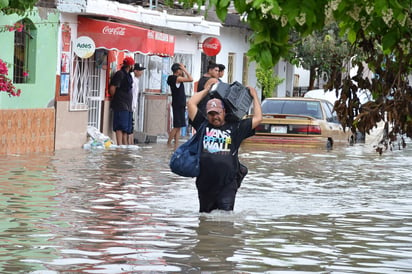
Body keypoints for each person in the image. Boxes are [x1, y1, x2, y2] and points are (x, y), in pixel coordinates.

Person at [187, 81, 263, 213]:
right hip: (205, 184)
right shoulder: (202, 125)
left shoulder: (236, 127)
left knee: (225, 218)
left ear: (224, 112)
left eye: (217, 113)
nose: (215, 117)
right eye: (211, 114)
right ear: (207, 114)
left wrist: (255, 96)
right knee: (205, 219)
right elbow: (191, 104)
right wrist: (206, 90)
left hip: (228, 184)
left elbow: (258, 118)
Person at [109, 56, 135, 146]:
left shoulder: (129, 76)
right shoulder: (120, 74)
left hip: (128, 105)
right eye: (132, 65)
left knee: (125, 128)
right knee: (119, 126)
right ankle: (119, 146)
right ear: (130, 65)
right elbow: (112, 88)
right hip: (120, 104)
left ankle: (124, 146)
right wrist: (116, 98)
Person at [167, 63, 193, 146]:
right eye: (181, 70)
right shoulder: (176, 78)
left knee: (179, 126)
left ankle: (176, 144)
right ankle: (168, 143)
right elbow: (191, 79)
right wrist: (185, 70)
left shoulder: (172, 78)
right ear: (178, 70)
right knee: (176, 126)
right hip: (178, 104)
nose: (182, 71)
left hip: (178, 104)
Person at [128, 63, 146, 145]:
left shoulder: (136, 79)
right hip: (129, 105)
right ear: (135, 71)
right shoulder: (131, 78)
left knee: (131, 125)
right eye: (140, 71)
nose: (141, 73)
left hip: (132, 106)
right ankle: (128, 144)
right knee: (129, 126)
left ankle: (131, 144)